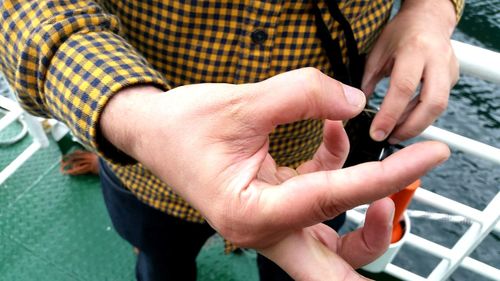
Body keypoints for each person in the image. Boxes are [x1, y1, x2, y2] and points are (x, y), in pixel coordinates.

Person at [0, 0, 462, 280]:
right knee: (161, 265)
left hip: (312, 163)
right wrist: (135, 114)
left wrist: (429, 10)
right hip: (146, 165)